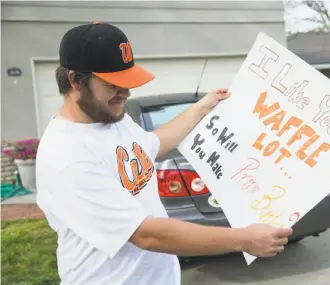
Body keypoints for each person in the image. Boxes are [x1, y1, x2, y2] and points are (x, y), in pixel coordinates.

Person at [36, 22, 293, 285]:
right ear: (75, 81)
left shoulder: (112, 119)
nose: (126, 93)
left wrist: (202, 107)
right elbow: (146, 235)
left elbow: (155, 143)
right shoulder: (66, 157)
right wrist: (245, 239)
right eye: (113, 84)